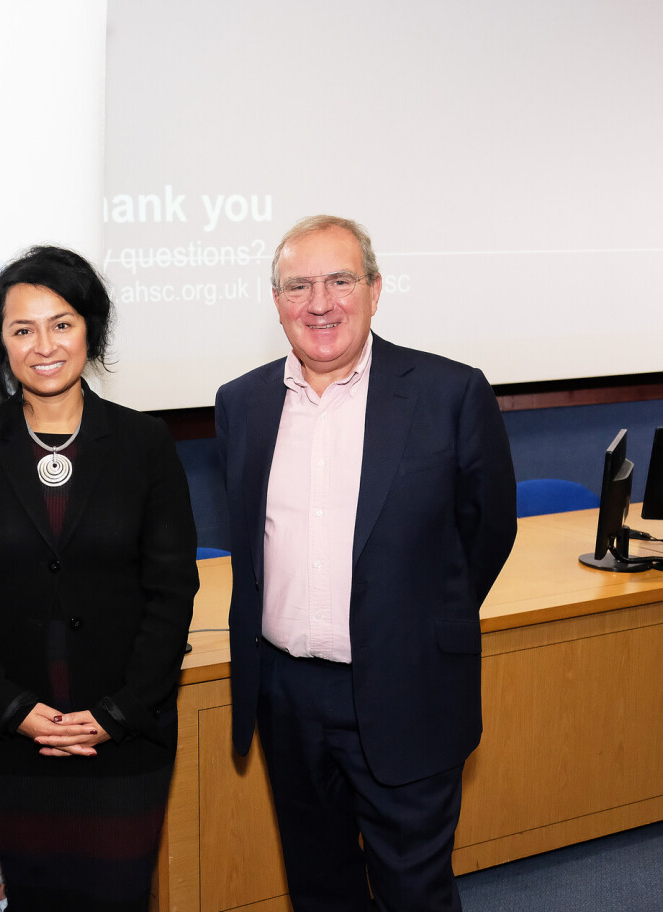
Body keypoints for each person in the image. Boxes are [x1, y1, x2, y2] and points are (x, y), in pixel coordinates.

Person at [214, 215, 517, 911]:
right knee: (319, 888)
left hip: (406, 688)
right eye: (299, 286)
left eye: (340, 281)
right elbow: (251, 546)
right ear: (277, 301)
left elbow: (487, 531)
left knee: (414, 890)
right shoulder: (242, 403)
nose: (320, 303)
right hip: (286, 698)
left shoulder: (450, 392)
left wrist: (417, 621)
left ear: (375, 291)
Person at [0, 246, 199, 910]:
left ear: (90, 331)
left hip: (126, 737)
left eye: (62, 323)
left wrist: (116, 714)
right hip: (15, 742)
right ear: (2, 344)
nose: (42, 345)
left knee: (118, 895)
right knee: (38, 897)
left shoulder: (145, 445)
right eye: (22, 329)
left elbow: (171, 594)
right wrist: (17, 711)